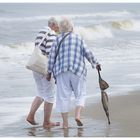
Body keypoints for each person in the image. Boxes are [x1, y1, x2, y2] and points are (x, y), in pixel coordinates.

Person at [46, 17, 101, 129]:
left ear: (60, 28)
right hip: (77, 70)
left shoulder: (57, 39)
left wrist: (49, 72)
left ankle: (65, 124)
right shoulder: (78, 38)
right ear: (71, 27)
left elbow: (51, 57)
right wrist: (95, 63)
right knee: (80, 94)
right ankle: (77, 115)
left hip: (61, 71)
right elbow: (87, 53)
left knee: (63, 97)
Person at [26, 17, 60, 128]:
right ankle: (47, 122)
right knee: (50, 95)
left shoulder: (42, 31)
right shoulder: (52, 34)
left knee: (41, 92)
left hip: (36, 66)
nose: (59, 27)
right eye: (58, 25)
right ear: (53, 24)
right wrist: (50, 72)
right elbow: (50, 53)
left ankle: (31, 116)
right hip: (45, 68)